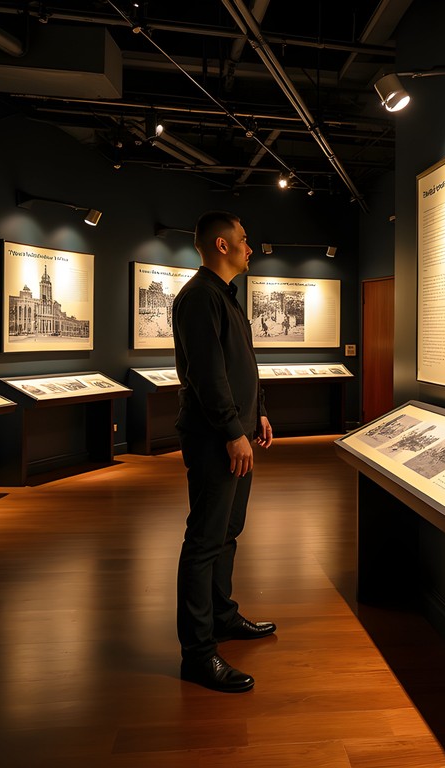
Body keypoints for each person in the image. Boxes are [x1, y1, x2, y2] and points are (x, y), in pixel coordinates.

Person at [172, 210, 275, 693]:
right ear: (221, 245)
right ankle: (197, 653)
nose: (249, 247)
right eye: (244, 239)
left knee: (228, 530)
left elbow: (242, 365)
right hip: (216, 439)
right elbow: (206, 374)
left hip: (236, 433)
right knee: (205, 539)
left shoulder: (225, 298)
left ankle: (221, 616)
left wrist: (257, 416)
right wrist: (234, 431)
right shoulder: (198, 298)